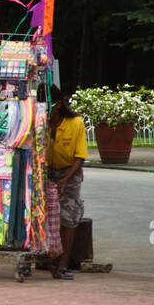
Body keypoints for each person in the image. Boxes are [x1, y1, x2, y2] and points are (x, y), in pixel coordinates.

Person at [49, 94, 88, 280]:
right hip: (46, 171)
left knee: (68, 217)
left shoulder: (76, 122)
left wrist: (65, 179)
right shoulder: (40, 122)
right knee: (45, 216)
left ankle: (63, 264)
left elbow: (80, 156)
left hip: (70, 172)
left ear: (56, 105)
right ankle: (47, 260)